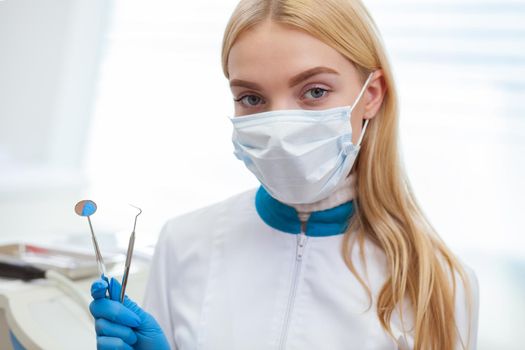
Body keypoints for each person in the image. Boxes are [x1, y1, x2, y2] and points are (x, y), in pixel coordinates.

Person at [89, 0, 479, 349]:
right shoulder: (185, 243)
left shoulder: (439, 283)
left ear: (371, 95)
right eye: (252, 98)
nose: (279, 129)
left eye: (314, 91)